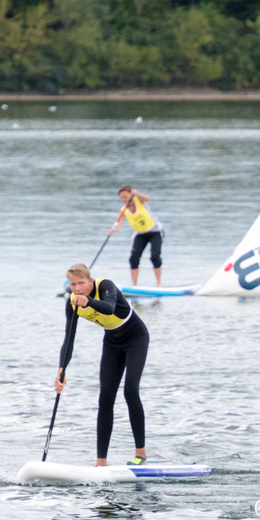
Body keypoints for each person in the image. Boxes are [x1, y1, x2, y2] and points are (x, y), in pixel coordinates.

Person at [55, 264, 149, 467]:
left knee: (130, 390)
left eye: (81, 283)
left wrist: (88, 301)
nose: (78, 288)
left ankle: (140, 453)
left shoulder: (106, 286)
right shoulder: (72, 303)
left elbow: (109, 307)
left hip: (135, 337)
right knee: (105, 397)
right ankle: (101, 462)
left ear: (90, 282)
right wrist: (62, 369)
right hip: (112, 342)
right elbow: (69, 338)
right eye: (73, 284)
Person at [109, 185, 163, 287]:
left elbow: (148, 198)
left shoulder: (140, 201)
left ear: (131, 195)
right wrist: (112, 230)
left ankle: (159, 284)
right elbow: (118, 225)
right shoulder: (123, 210)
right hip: (140, 234)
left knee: (155, 257)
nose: (123, 200)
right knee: (133, 258)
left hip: (155, 232)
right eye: (121, 198)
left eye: (125, 197)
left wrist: (137, 194)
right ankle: (134, 285)